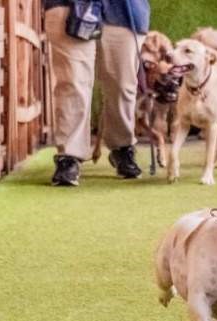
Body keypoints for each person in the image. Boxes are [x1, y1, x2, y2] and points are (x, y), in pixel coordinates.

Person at [44, 0, 150, 186]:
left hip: (124, 11)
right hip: (68, 6)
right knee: (72, 82)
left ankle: (122, 147)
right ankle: (69, 156)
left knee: (123, 84)